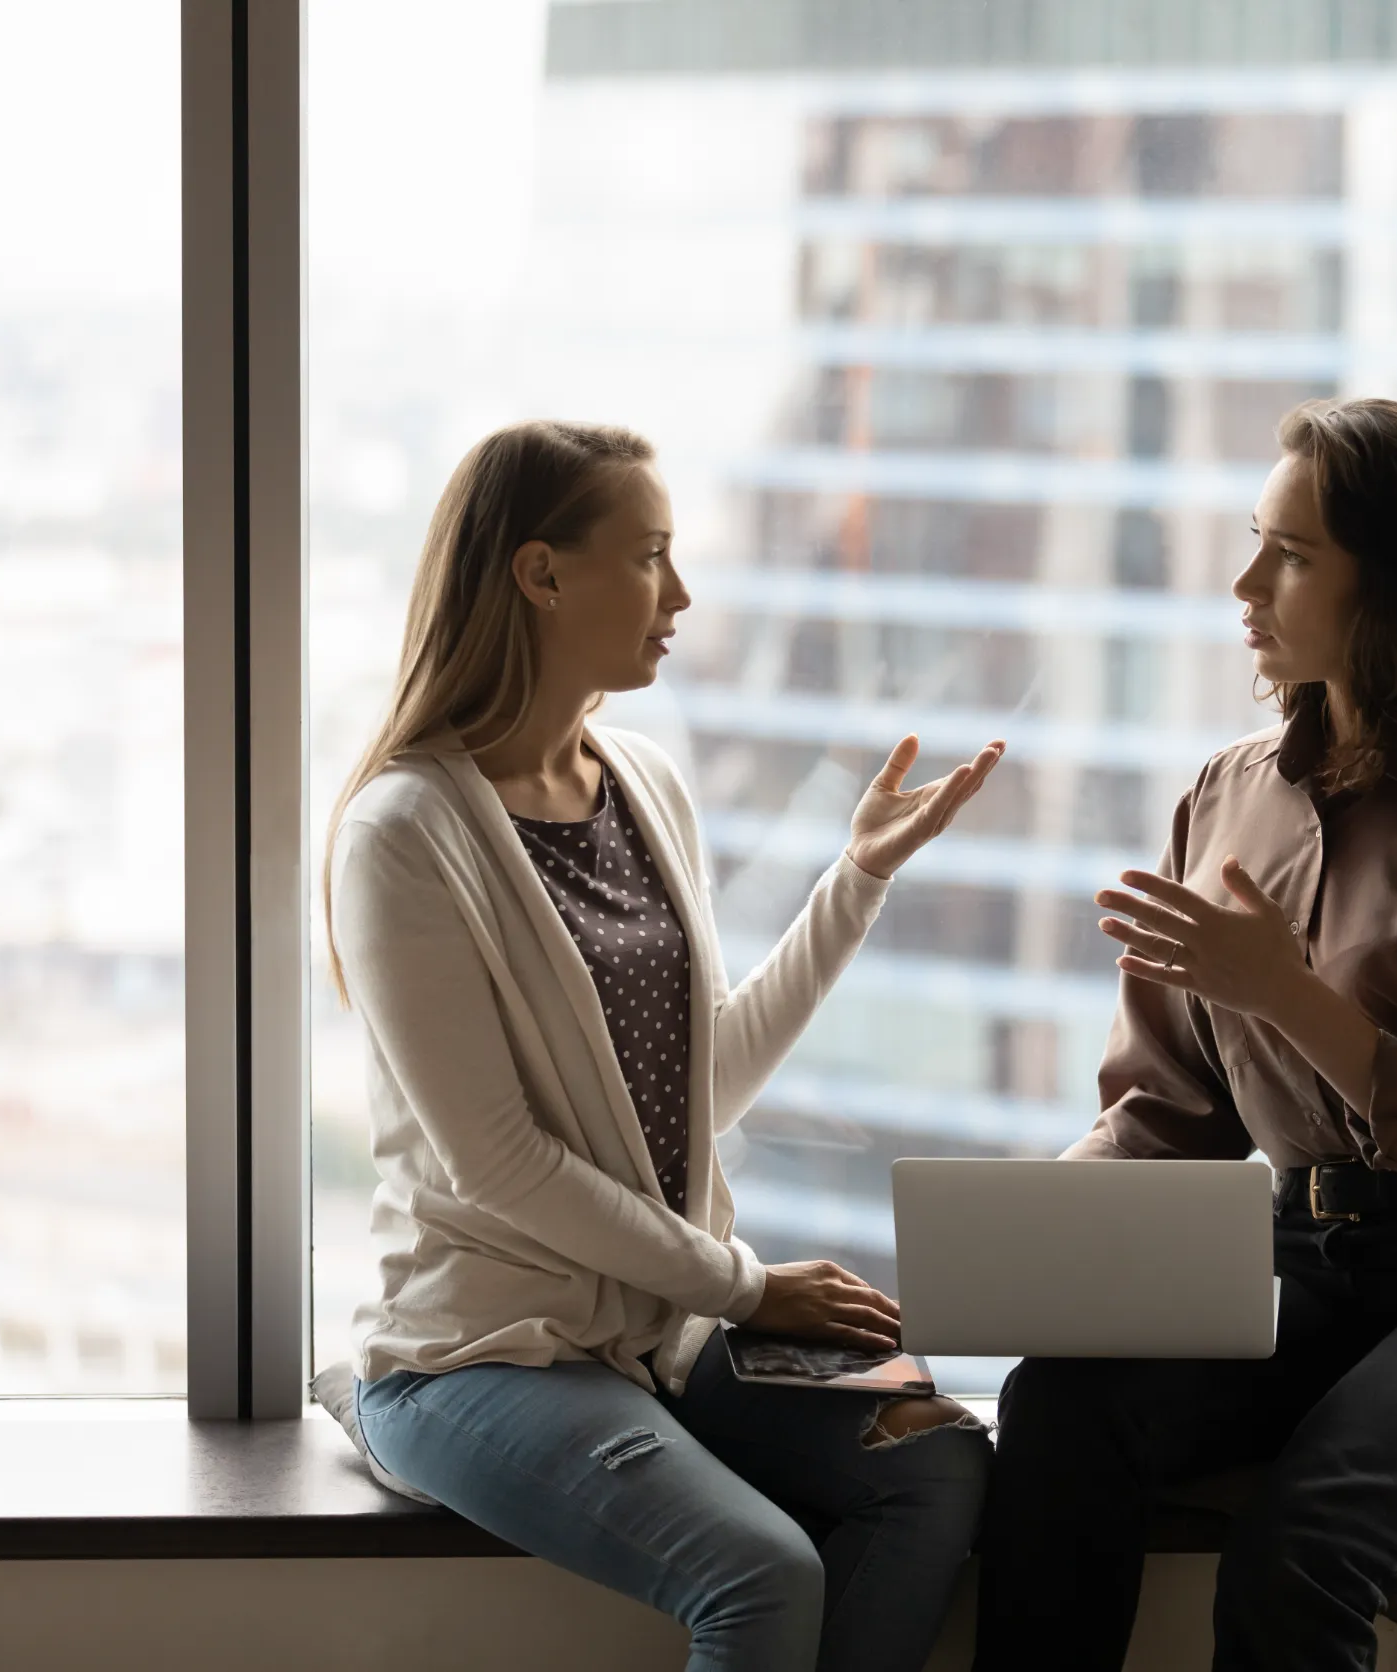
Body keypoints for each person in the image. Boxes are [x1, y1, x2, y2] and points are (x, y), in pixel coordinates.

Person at [974, 398, 1397, 1672]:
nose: (1246, 584)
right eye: (1253, 542)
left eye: (1290, 554)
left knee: (1304, 1548)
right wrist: (1009, 1257)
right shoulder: (1227, 797)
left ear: (1396, 584)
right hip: (1292, 1253)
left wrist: (1287, 994)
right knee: (1057, 1406)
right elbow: (1165, 1120)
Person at [326, 420, 1002, 1672]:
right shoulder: (405, 830)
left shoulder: (641, 778)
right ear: (540, 573)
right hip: (481, 1356)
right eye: (649, 557)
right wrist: (743, 1283)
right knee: (760, 1572)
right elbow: (501, 1166)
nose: (680, 595)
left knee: (942, 1465)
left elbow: (700, 1090)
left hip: (662, 1337)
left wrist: (853, 882)